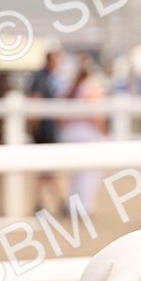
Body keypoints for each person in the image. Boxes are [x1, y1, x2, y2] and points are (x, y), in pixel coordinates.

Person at [61, 56, 108, 216]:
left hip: (70, 133)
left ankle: (72, 205)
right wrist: (102, 130)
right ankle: (85, 206)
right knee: (90, 173)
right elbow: (96, 115)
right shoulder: (90, 88)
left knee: (76, 174)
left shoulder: (69, 89)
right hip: (87, 133)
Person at [28, 49, 66, 215]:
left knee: (46, 170)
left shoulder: (46, 78)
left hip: (47, 129)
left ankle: (42, 202)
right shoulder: (41, 79)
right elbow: (35, 106)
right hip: (44, 130)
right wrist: (35, 131)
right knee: (48, 168)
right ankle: (59, 202)